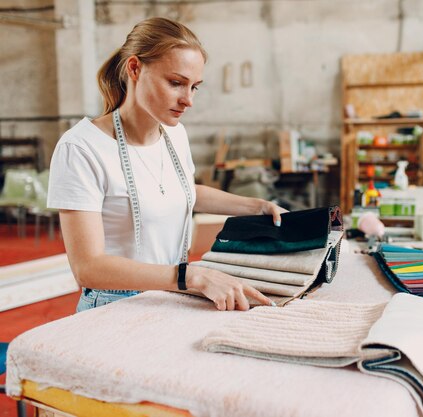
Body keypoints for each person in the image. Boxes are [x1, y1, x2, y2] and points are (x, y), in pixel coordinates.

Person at [48, 17, 285, 313]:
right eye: (175, 83)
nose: (188, 101)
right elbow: (87, 268)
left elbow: (181, 190)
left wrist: (258, 207)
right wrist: (191, 276)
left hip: (172, 292)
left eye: (194, 87)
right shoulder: (81, 148)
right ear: (134, 68)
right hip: (113, 303)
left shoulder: (174, 133)